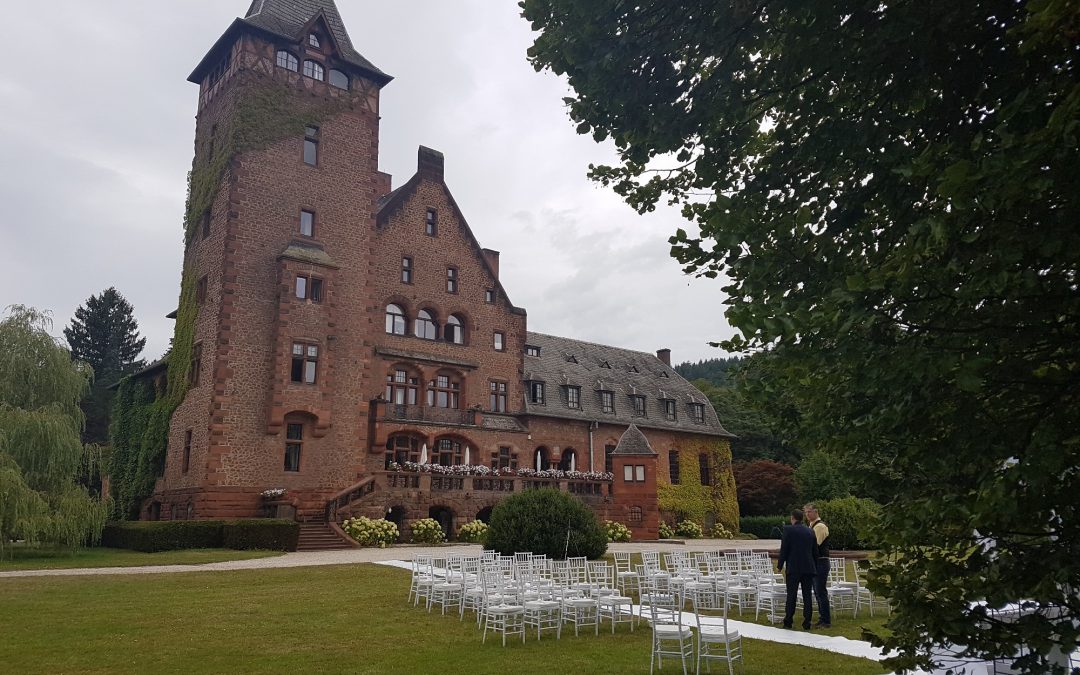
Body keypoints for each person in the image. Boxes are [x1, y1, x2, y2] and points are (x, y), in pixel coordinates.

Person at [777, 508, 819, 630]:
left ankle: (788, 620)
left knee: (792, 595)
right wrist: (814, 566)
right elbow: (815, 551)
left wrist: (780, 565)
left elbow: (784, 549)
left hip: (794, 567)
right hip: (808, 567)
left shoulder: (788, 530)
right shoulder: (810, 531)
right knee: (807, 595)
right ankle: (807, 621)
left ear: (792, 518)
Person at [805, 503, 832, 628]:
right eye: (806, 512)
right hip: (816, 562)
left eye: (809, 512)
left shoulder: (820, 526)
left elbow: (814, 544)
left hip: (821, 561)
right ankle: (822, 618)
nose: (807, 514)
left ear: (816, 512)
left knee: (820, 591)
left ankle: (826, 620)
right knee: (817, 591)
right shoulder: (811, 525)